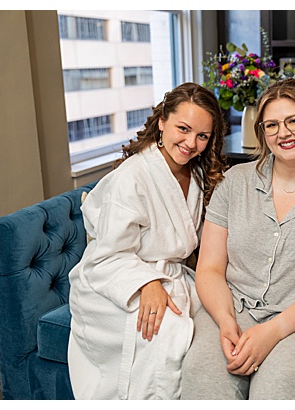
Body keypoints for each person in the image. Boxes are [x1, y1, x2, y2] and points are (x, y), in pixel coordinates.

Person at [180, 79, 295, 399]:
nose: (284, 132)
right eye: (272, 125)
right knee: (203, 374)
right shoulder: (233, 183)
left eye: (294, 120)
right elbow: (210, 268)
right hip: (234, 307)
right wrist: (225, 323)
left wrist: (274, 331)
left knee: (278, 386)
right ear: (262, 132)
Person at [67, 82, 227, 399]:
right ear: (163, 121)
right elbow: (107, 255)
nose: (191, 143)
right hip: (114, 279)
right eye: (183, 128)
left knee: (218, 317)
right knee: (166, 332)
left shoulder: (196, 172)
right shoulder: (133, 176)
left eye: (202, 136)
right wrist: (147, 282)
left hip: (168, 274)